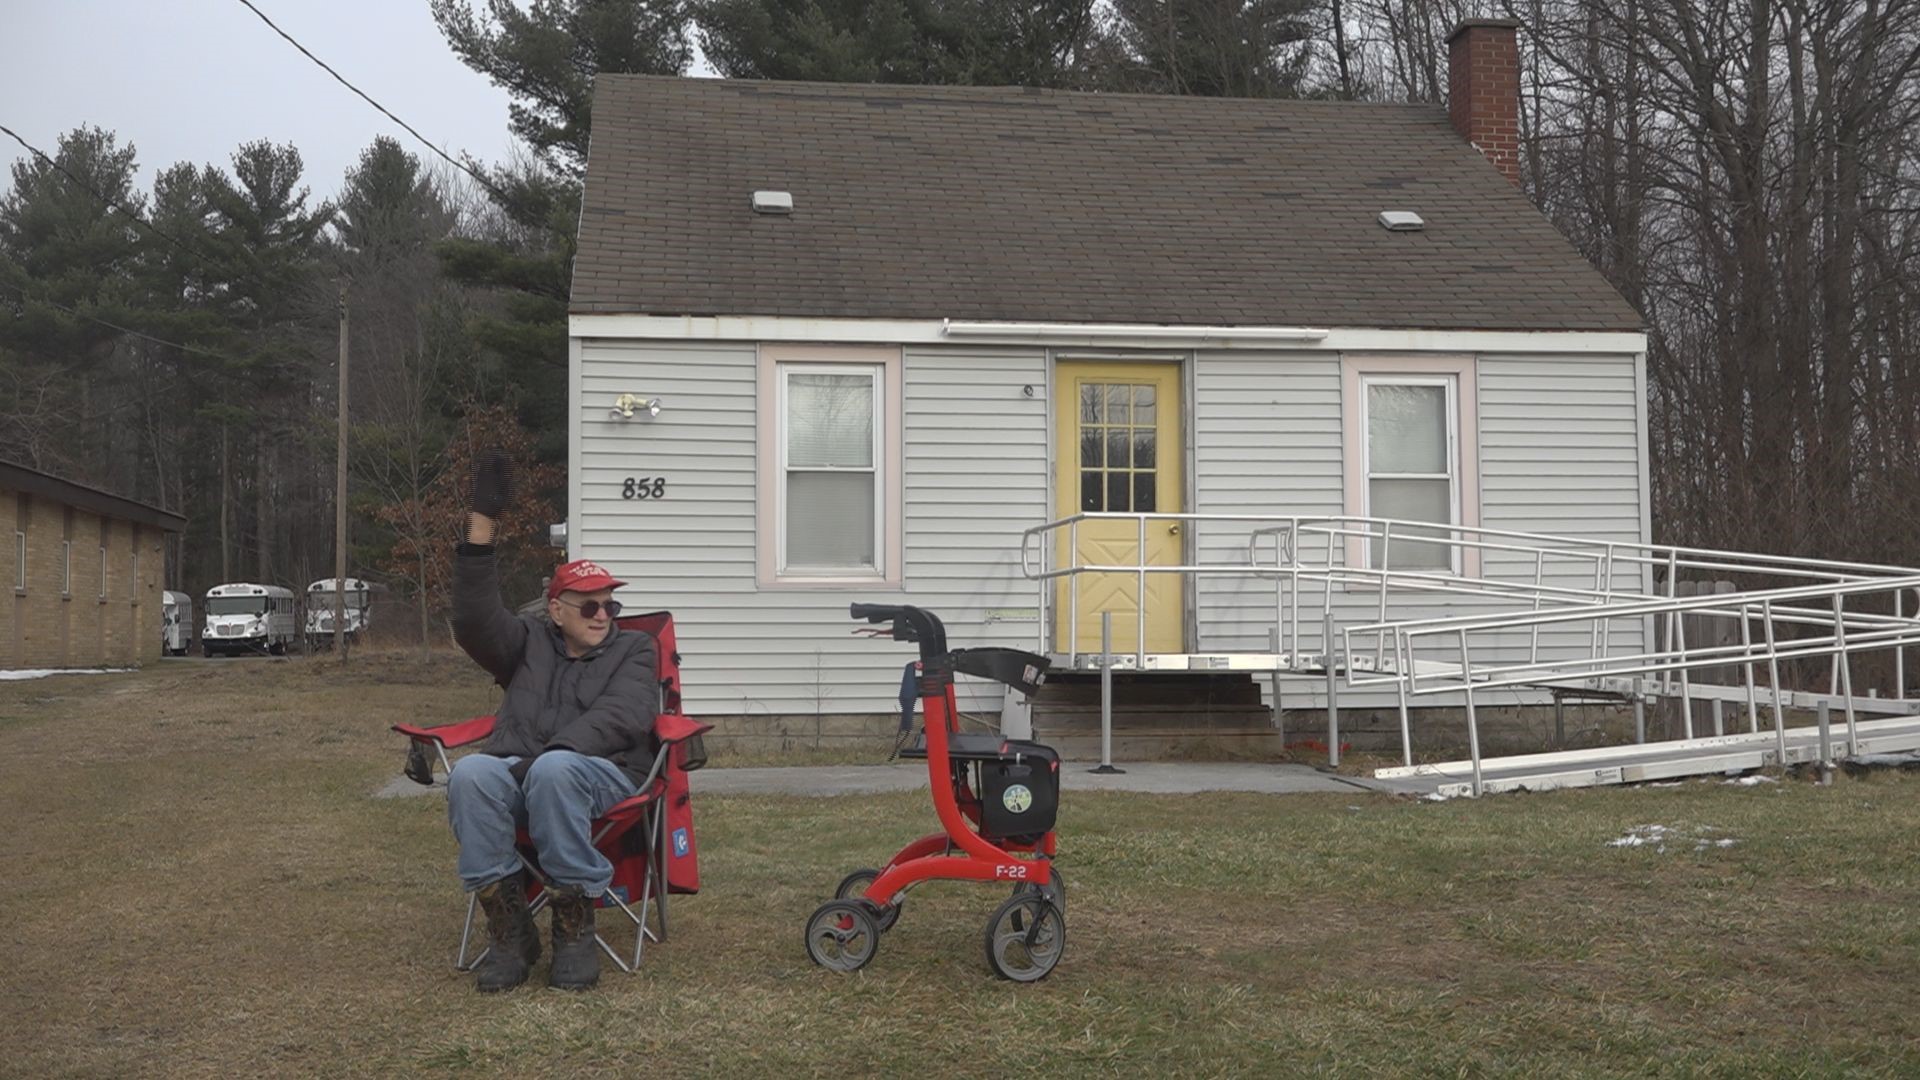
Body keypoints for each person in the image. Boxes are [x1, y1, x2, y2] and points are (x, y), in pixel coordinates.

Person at [446, 450, 660, 992]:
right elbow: (473, 621)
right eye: (587, 606)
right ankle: (511, 931)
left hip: (604, 775)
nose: (603, 616)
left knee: (556, 770)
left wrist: (545, 757)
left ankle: (574, 931)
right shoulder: (526, 643)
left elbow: (625, 716)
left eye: (609, 605)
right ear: (556, 609)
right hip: (525, 770)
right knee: (471, 775)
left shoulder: (635, 648)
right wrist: (480, 531)